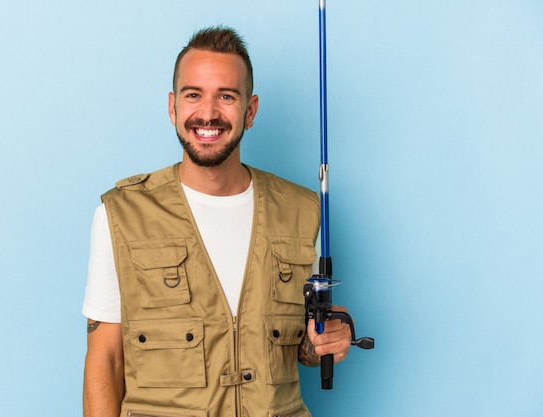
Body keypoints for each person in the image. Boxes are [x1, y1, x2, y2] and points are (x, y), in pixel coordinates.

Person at [82, 26, 352, 417]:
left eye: (226, 96)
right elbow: (104, 359)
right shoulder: (121, 215)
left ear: (251, 110)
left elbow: (303, 349)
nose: (207, 114)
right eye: (194, 95)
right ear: (173, 107)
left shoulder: (304, 211)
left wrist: (328, 341)